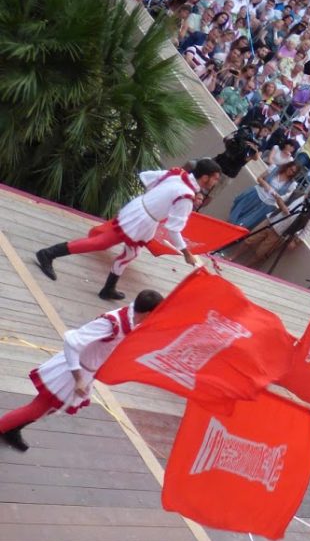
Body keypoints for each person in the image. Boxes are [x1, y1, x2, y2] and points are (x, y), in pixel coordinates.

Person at [34, 159, 223, 300]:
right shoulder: (186, 197)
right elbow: (173, 229)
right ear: (205, 177)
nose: (215, 182)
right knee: (101, 243)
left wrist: (158, 199)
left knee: (130, 253)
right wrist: (186, 253)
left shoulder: (178, 174)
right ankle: (49, 254)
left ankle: (108, 288)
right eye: (215, 178)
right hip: (142, 220)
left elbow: (147, 177)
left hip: (139, 210)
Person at [0, 290, 164, 452]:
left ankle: (12, 429)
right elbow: (72, 343)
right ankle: (6, 427)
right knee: (38, 408)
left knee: (49, 409)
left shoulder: (134, 321)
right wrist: (78, 378)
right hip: (72, 372)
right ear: (149, 313)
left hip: (85, 372)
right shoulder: (111, 323)